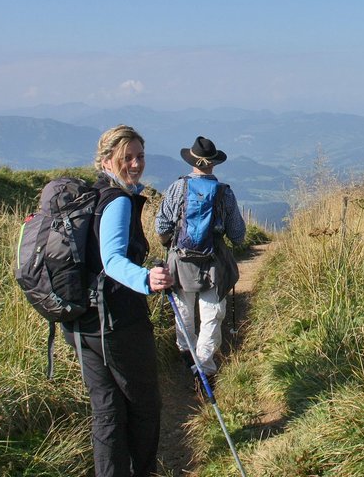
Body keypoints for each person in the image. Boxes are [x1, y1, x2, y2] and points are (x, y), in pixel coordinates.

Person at [62, 124, 174, 477]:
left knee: (107, 409)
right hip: (117, 322)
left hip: (82, 323)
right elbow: (111, 261)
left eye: (140, 156)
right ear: (108, 159)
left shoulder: (91, 195)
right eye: (127, 157)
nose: (136, 164)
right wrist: (146, 279)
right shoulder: (118, 201)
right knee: (143, 406)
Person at [155, 136, 245, 388]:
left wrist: (170, 244)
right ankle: (204, 369)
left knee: (184, 312)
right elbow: (238, 235)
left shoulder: (176, 188)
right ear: (214, 163)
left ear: (192, 161)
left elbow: (161, 226)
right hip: (214, 262)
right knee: (212, 315)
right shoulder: (225, 193)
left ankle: (188, 354)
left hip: (180, 260)